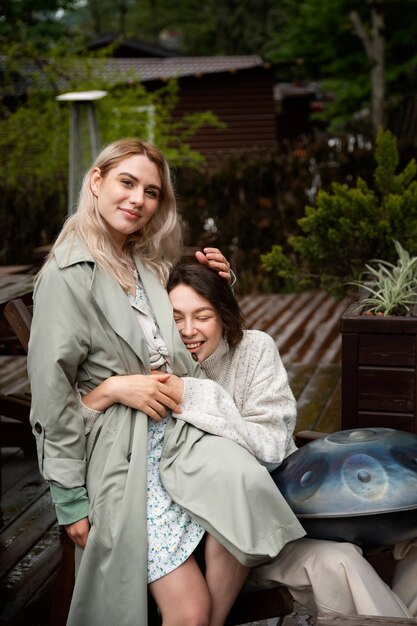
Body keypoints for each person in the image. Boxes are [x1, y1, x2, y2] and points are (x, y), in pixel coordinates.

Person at [27, 138, 304, 626]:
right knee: (191, 612)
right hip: (126, 450)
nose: (138, 199)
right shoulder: (67, 277)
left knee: (241, 491)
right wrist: (70, 499)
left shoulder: (143, 263)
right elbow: (51, 397)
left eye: (151, 192)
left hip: (182, 431)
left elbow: (178, 335)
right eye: (126, 183)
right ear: (96, 181)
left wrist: (220, 284)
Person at [164, 262, 417, 621]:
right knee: (339, 563)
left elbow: (270, 445)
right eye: (176, 318)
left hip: (296, 511)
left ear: (222, 314)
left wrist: (198, 396)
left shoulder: (255, 349)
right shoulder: (159, 372)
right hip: (235, 544)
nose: (188, 331)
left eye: (202, 316)